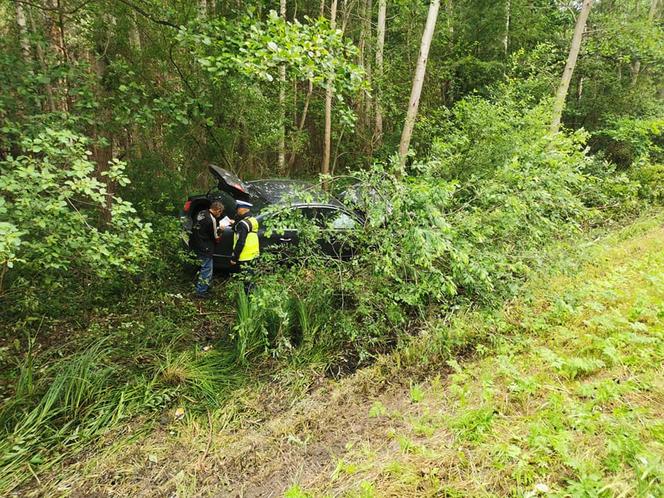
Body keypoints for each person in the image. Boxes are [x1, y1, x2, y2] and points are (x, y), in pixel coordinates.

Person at [190, 201, 225, 298]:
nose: (220, 214)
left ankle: (199, 285)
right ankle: (201, 291)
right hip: (204, 247)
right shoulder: (211, 220)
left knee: (200, 265)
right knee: (207, 269)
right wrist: (221, 229)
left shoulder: (201, 213)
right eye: (220, 212)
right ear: (217, 210)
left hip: (194, 241)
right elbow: (216, 237)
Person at [230, 200, 260, 292]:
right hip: (254, 254)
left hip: (245, 256)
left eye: (238, 209)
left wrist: (234, 257)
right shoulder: (253, 219)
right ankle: (253, 296)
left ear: (243, 209)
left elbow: (241, 242)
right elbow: (246, 227)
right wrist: (235, 223)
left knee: (247, 281)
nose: (237, 211)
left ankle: (248, 301)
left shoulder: (242, 224)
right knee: (252, 278)